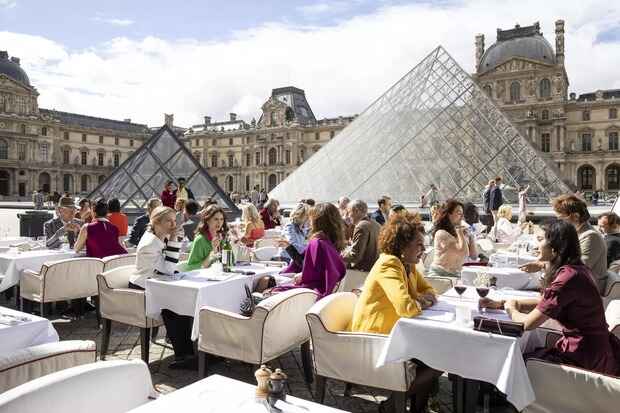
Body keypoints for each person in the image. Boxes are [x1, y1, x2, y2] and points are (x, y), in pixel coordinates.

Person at [480, 220, 620, 376]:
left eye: (540, 240)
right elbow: (546, 302)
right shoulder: (577, 270)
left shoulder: (567, 278)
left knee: (511, 363)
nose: (535, 245)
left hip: (583, 357)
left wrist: (510, 308)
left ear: (555, 250)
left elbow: (527, 324)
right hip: (595, 351)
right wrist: (503, 303)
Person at [351, 213, 442, 413]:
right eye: (419, 245)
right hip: (373, 337)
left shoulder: (406, 265)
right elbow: (406, 308)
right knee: (440, 358)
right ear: (402, 245)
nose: (424, 250)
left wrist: (420, 299)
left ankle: (414, 408)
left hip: (395, 331)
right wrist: (420, 301)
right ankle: (392, 405)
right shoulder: (389, 264)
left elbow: (430, 291)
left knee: (436, 353)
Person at [129, 206, 192, 369]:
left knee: (183, 301)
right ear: (156, 223)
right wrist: (173, 240)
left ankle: (187, 352)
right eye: (168, 221)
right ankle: (182, 355)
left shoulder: (159, 237)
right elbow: (169, 268)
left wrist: (173, 240)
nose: (173, 224)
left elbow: (168, 267)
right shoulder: (150, 243)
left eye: (174, 220)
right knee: (173, 306)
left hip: (156, 282)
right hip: (142, 285)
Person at [521, 194, 608, 293]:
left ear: (575, 216)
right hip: (574, 286)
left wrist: (542, 264)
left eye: (560, 219)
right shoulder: (576, 233)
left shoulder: (591, 236)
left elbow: (577, 268)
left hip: (585, 291)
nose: (558, 222)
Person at [273, 203, 346, 299]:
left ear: (317, 221)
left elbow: (308, 270)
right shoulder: (333, 242)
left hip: (309, 293)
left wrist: (302, 276)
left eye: (311, 218)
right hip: (322, 291)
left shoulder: (317, 242)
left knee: (266, 282)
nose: (309, 221)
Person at [427, 199, 477, 278]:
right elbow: (463, 252)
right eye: (459, 213)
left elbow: (474, 256)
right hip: (441, 277)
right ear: (449, 214)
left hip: (455, 276)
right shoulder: (441, 233)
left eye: (462, 214)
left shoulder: (459, 233)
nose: (462, 217)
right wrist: (460, 232)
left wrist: (471, 236)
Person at [185, 205, 232, 271]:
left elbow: (231, 262)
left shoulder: (223, 238)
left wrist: (233, 244)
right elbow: (190, 268)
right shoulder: (200, 240)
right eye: (216, 219)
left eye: (222, 219)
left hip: (221, 276)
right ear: (207, 220)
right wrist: (213, 252)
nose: (219, 222)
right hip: (204, 279)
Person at [342, 200, 381, 272]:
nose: (348, 216)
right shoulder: (376, 224)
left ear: (356, 211)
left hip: (361, 273)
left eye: (349, 212)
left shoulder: (361, 226)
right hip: (373, 270)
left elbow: (355, 256)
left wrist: (339, 255)